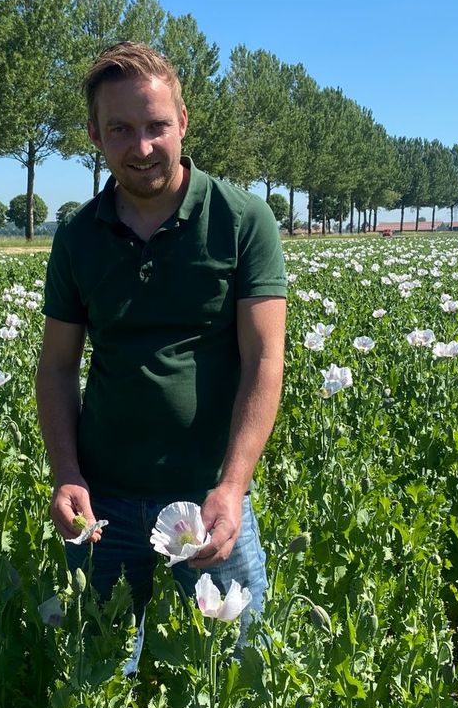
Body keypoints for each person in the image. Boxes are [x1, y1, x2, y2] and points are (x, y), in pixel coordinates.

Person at [35, 42, 286, 669]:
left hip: (208, 499)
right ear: (93, 134)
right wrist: (67, 472)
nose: (141, 147)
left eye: (156, 126)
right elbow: (58, 365)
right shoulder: (77, 237)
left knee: (235, 676)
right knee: (101, 677)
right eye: (120, 129)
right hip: (104, 503)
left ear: (183, 122)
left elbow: (264, 361)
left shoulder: (242, 220)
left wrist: (233, 487)